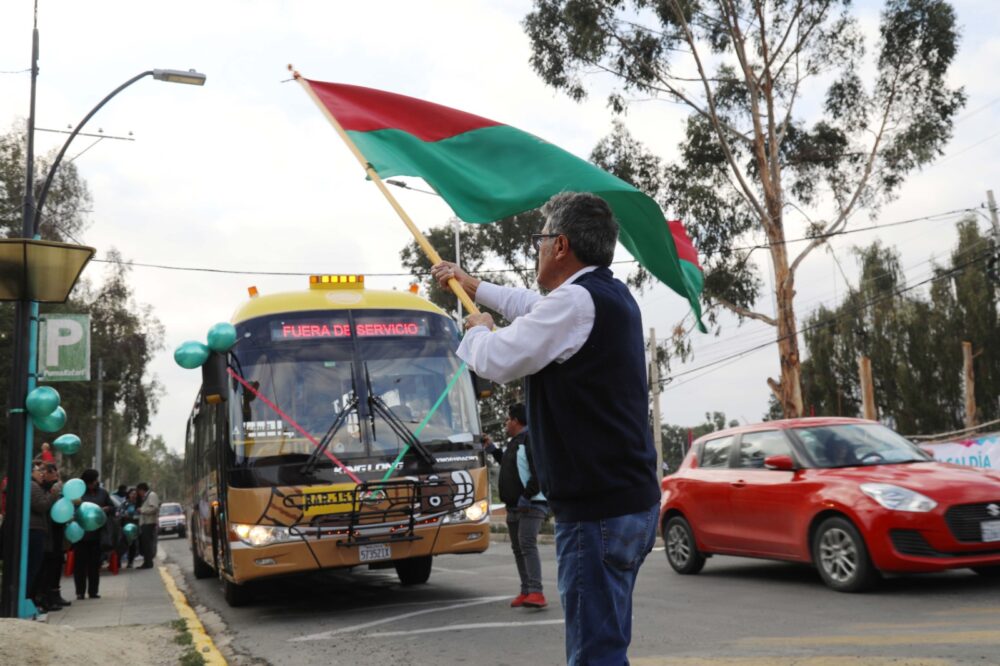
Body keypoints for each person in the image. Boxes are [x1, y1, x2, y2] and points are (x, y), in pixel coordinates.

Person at [432, 192, 659, 665]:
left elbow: (496, 359)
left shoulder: (575, 302)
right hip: (628, 503)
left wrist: (477, 327)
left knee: (594, 655)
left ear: (560, 245)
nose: (536, 249)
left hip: (596, 511)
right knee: (609, 645)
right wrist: (473, 284)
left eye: (539, 240)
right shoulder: (606, 295)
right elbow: (533, 306)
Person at [484, 402, 548, 609]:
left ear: (516, 421)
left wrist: (526, 497)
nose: (505, 423)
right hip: (514, 506)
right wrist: (492, 449)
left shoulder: (530, 440)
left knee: (527, 545)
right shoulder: (516, 442)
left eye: (508, 419)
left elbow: (539, 472)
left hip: (531, 504)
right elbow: (511, 466)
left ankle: (537, 592)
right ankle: (526, 590)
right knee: (518, 549)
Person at [73, 469, 114, 599]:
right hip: (81, 535)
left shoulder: (102, 493)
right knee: (80, 565)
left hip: (97, 535)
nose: (96, 482)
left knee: (94, 565)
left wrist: (104, 509)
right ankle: (80, 592)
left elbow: (112, 507)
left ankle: (93, 591)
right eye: (93, 480)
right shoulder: (78, 494)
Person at [28, 459, 58, 613]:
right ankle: (29, 598)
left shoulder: (36, 486)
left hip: (38, 529)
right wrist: (52, 494)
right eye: (38, 471)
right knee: (34, 567)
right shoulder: (32, 486)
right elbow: (41, 505)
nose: (41, 474)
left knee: (37, 567)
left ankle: (32, 598)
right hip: (34, 530)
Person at [136, 482, 160, 569]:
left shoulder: (152, 495)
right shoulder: (146, 496)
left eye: (139, 491)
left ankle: (148, 562)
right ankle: (147, 561)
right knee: (145, 544)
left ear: (142, 490)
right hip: (145, 522)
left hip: (149, 523)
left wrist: (142, 510)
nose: (139, 493)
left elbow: (154, 508)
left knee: (147, 544)